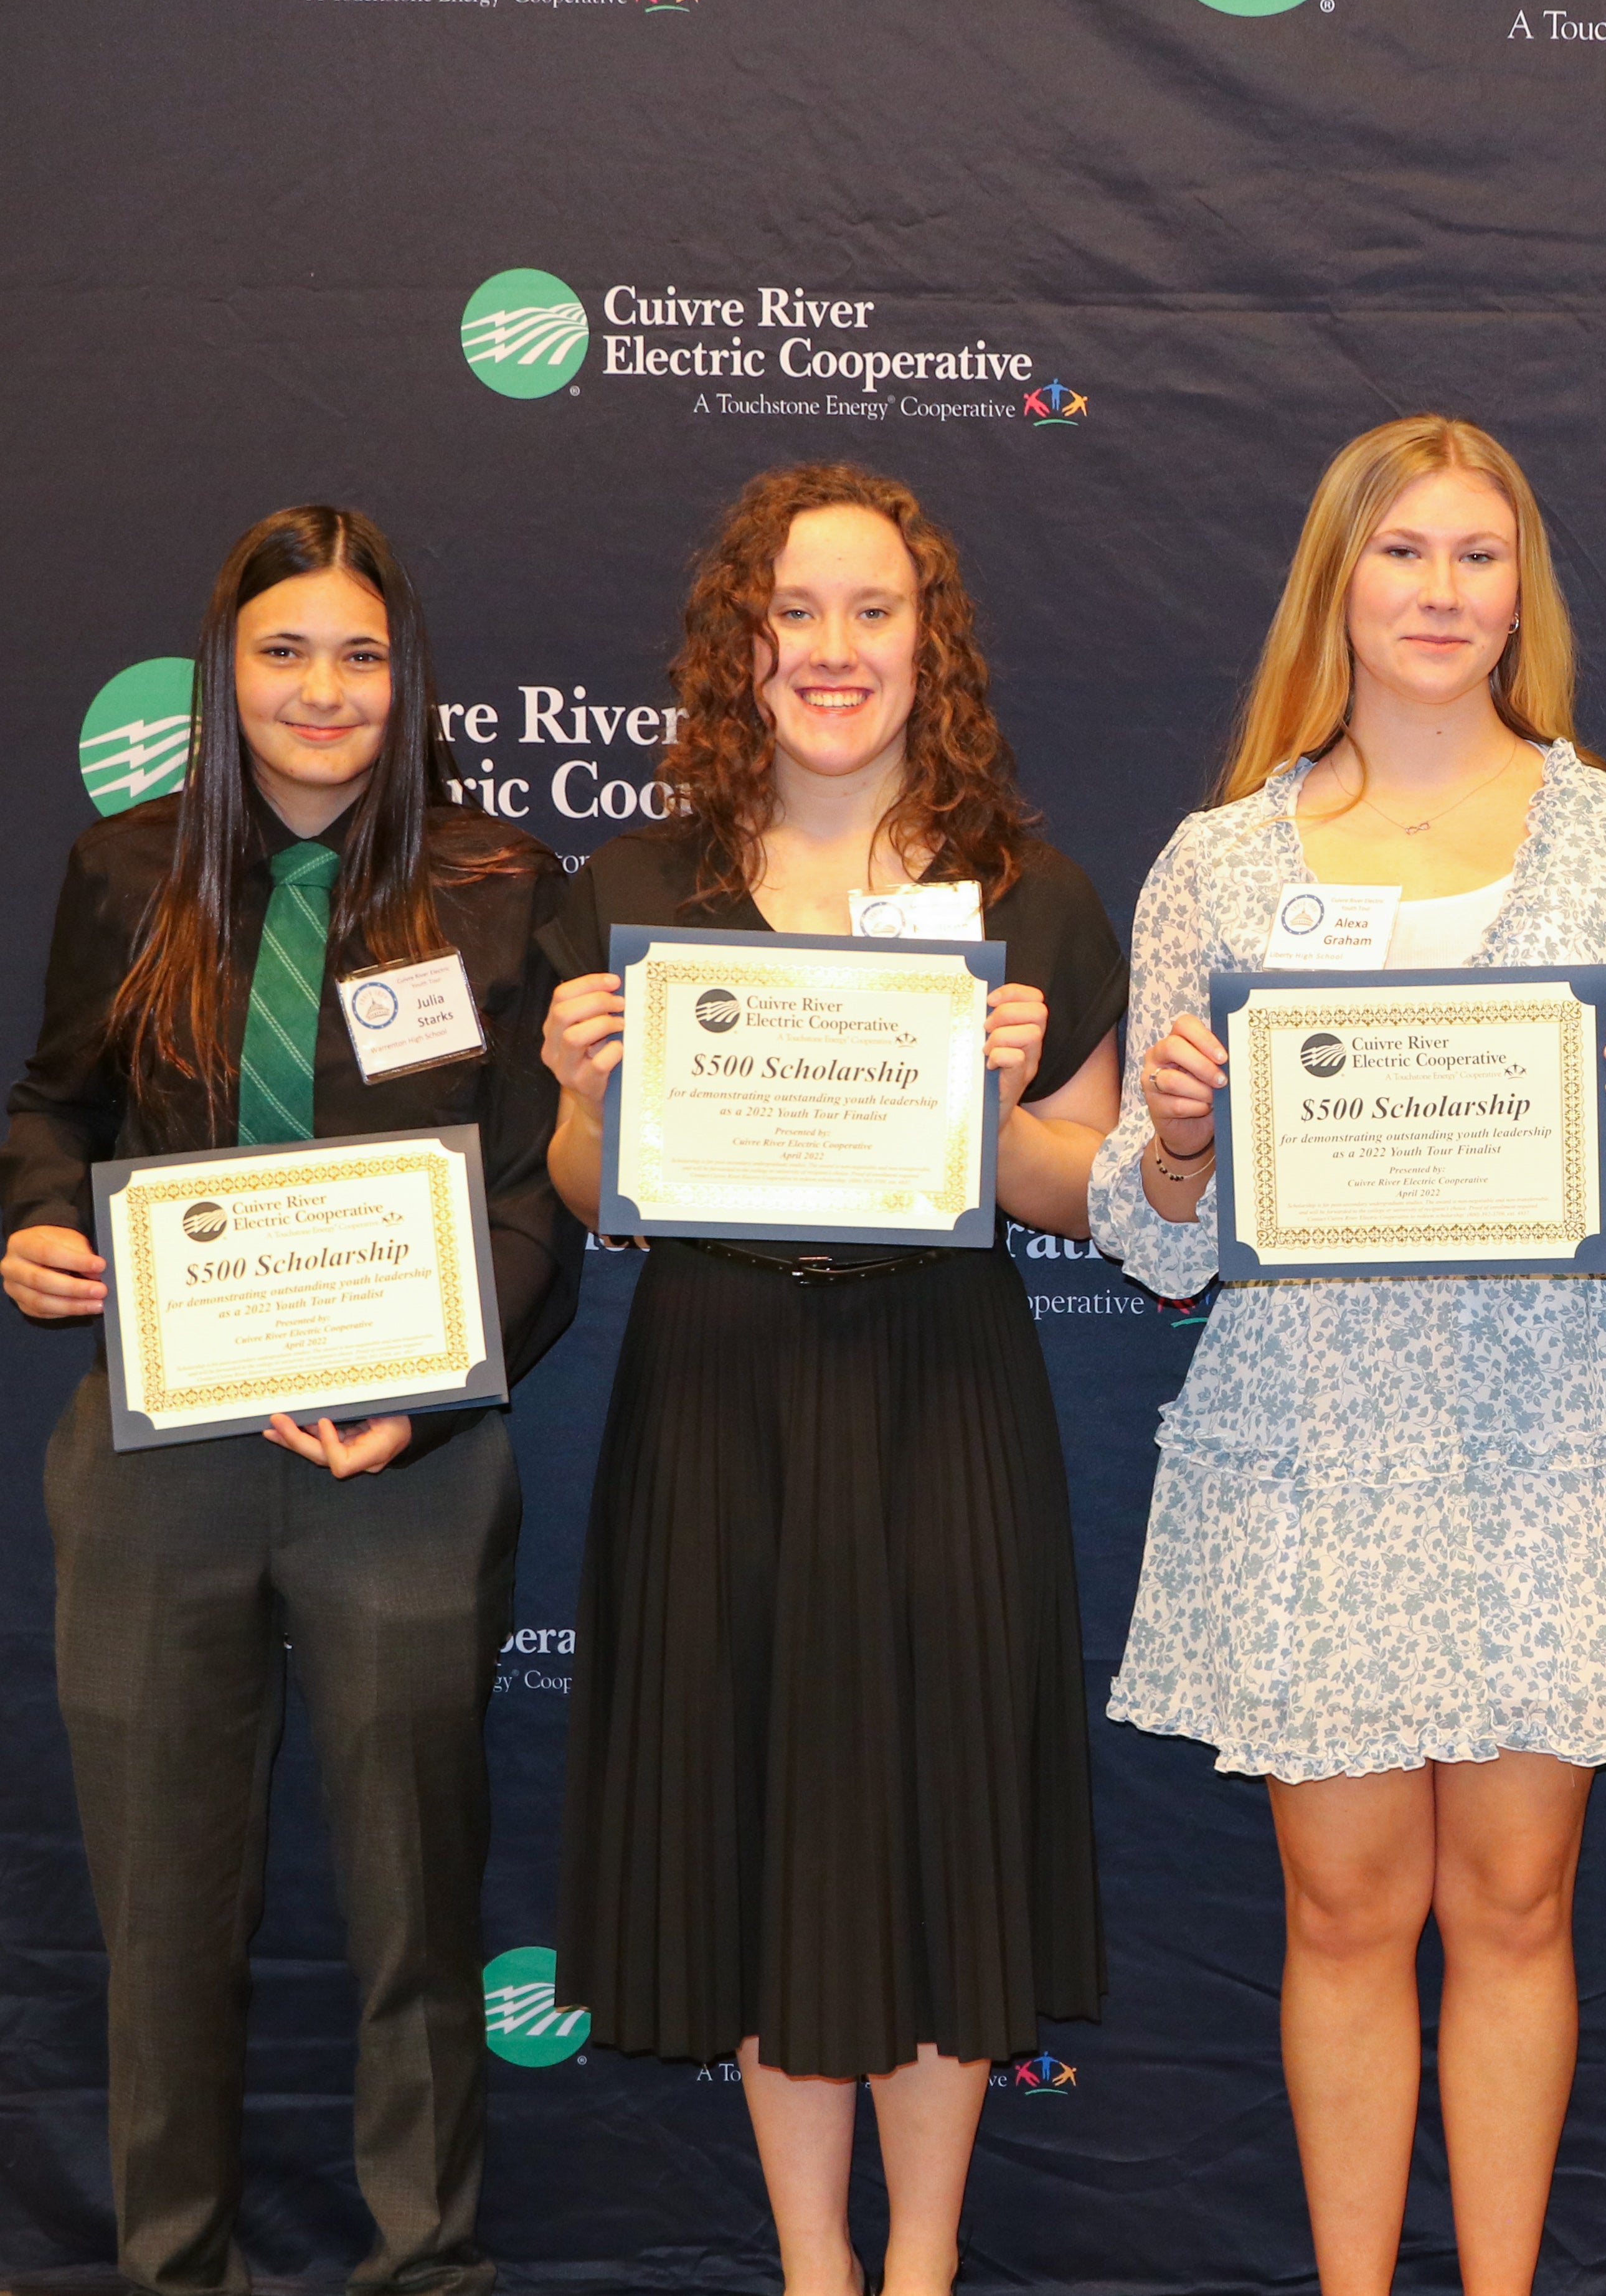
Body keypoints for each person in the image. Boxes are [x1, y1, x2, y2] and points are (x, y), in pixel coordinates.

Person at [1090, 414, 1606, 2296]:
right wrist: (1180, 1139)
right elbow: (1152, 1229)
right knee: (1341, 1903)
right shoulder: (1219, 861)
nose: (1441, 594)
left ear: (1519, 593)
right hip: (1315, 1434)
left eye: (1477, 558)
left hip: (1559, 1426)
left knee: (1517, 1899)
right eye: (1402, 555)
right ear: (1339, 585)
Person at [536, 463, 1123, 2296]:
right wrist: (580, 1089)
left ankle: (926, 2259)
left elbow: (1080, 1194)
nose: (838, 649)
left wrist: (1016, 1097)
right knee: (764, 1829)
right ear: (744, 643)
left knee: (946, 1816)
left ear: (929, 641)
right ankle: (811, 2264)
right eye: (800, 611)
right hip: (716, 1392)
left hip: (943, 1388)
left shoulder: (1028, 895)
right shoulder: (640, 887)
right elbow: (583, 1197)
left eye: (878, 610)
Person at [1, 505, 577, 2296]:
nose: (322, 691)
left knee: (415, 1907)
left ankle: (424, 2263)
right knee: (165, 1919)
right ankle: (172, 2268)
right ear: (224, 667)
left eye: (360, 655)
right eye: (283, 650)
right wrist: (27, 1221)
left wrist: (437, 1390)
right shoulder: (126, 871)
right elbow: (57, 1106)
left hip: (405, 1463)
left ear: (408, 683)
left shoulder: (499, 885)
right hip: (159, 1458)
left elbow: (539, 1184)